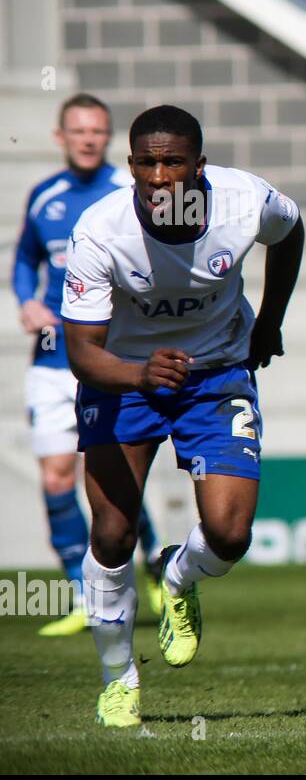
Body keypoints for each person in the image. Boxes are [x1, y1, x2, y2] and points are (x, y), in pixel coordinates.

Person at [61, 105, 304, 726]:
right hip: (125, 379)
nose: (161, 176)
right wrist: (139, 373)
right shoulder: (99, 232)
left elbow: (291, 229)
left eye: (174, 162)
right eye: (148, 162)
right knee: (112, 536)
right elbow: (82, 354)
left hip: (217, 373)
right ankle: (119, 679)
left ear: (200, 166)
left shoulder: (245, 202)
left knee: (228, 536)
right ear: (132, 166)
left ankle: (177, 573)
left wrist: (269, 321)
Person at [11, 93, 162, 636]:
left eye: (97, 131)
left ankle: (148, 572)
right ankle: (85, 594)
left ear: (108, 138)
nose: (88, 139)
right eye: (78, 131)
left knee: (121, 478)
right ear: (61, 137)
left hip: (110, 358)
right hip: (53, 363)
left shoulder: (130, 195)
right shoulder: (44, 198)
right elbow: (25, 261)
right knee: (56, 478)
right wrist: (26, 300)